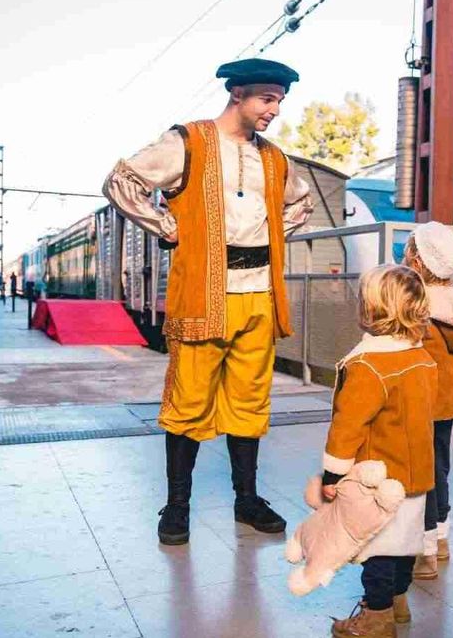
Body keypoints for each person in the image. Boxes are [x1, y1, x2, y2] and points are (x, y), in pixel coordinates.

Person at [102, 58, 315, 545]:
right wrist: (165, 226)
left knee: (250, 400)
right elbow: (121, 181)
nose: (274, 111)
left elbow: (299, 202)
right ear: (237, 94)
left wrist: (274, 237)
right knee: (187, 402)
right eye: (267, 99)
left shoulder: (276, 158)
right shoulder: (188, 142)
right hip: (203, 293)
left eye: (280, 101)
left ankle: (247, 500)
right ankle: (177, 507)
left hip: (259, 293)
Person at [322, 264, 437, 638]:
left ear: (372, 311)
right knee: (404, 544)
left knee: (376, 550)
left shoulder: (368, 365)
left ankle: (377, 616)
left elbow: (347, 425)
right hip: (416, 473)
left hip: (378, 480)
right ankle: (399, 603)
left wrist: (333, 473)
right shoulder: (422, 359)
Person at [401, 222, 453, 581]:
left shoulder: (414, 309)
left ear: (418, 263)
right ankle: (443, 537)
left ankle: (425, 551)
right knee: (440, 464)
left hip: (419, 401)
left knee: (421, 472)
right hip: (447, 402)